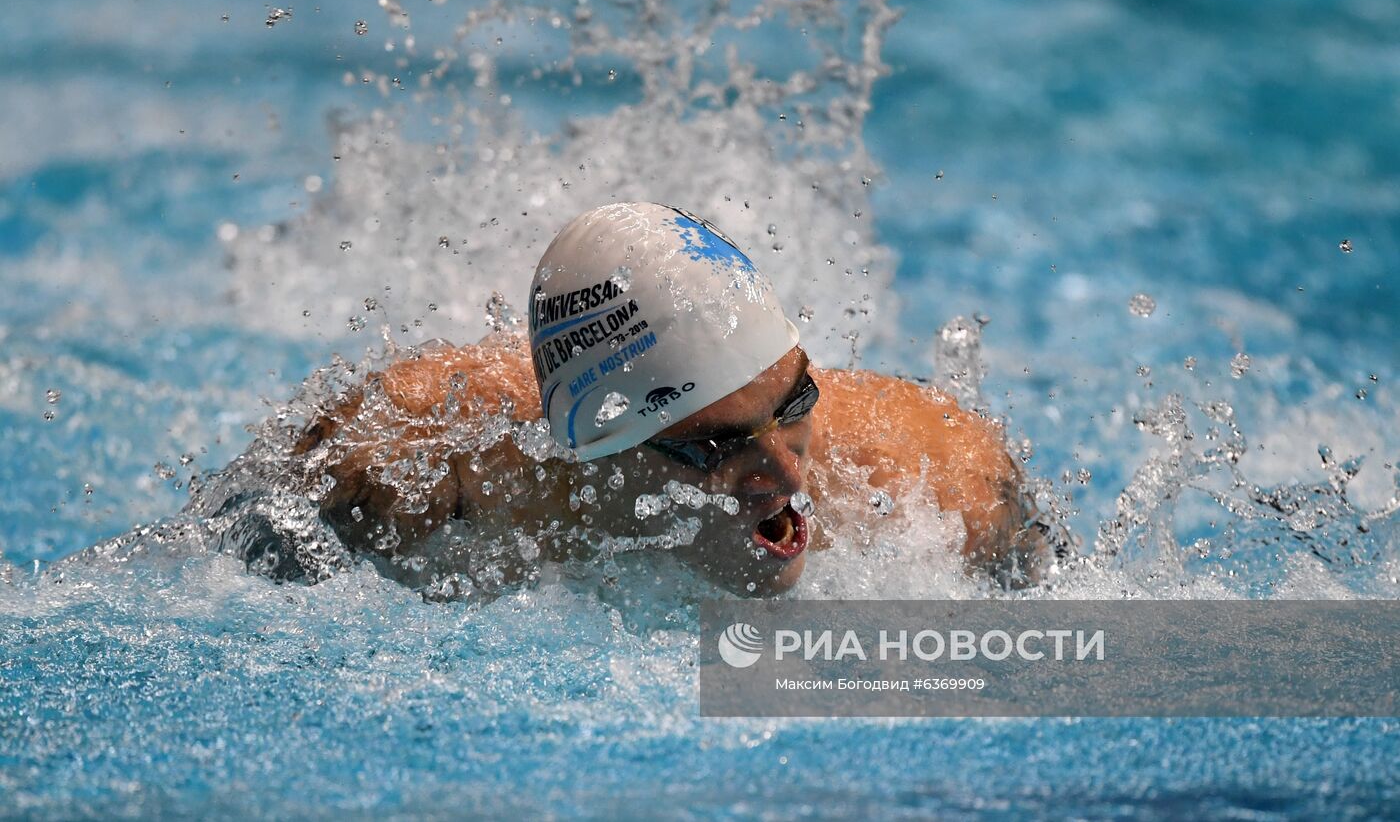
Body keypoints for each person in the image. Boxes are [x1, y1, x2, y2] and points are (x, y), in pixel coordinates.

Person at [291, 202, 1051, 596]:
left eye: (795, 403)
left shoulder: (940, 476)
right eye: (715, 446)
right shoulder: (418, 459)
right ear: (597, 446)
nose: (786, 476)